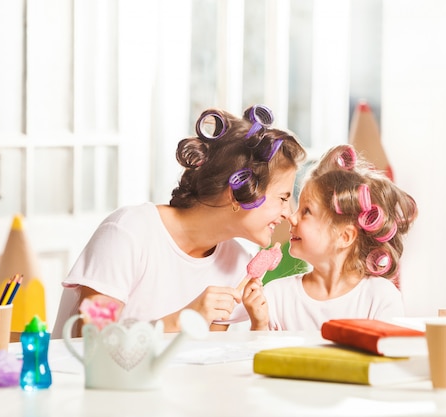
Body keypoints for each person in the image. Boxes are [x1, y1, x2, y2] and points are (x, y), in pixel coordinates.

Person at [51, 105, 307, 337]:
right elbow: (93, 338)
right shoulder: (129, 232)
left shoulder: (237, 265)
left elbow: (206, 364)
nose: (289, 213)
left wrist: (259, 328)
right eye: (283, 198)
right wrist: (185, 320)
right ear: (237, 192)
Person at [242, 144, 418, 330]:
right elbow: (261, 357)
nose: (292, 218)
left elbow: (385, 357)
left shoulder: (380, 297)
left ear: (345, 236)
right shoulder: (276, 296)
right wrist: (258, 324)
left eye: (306, 211)